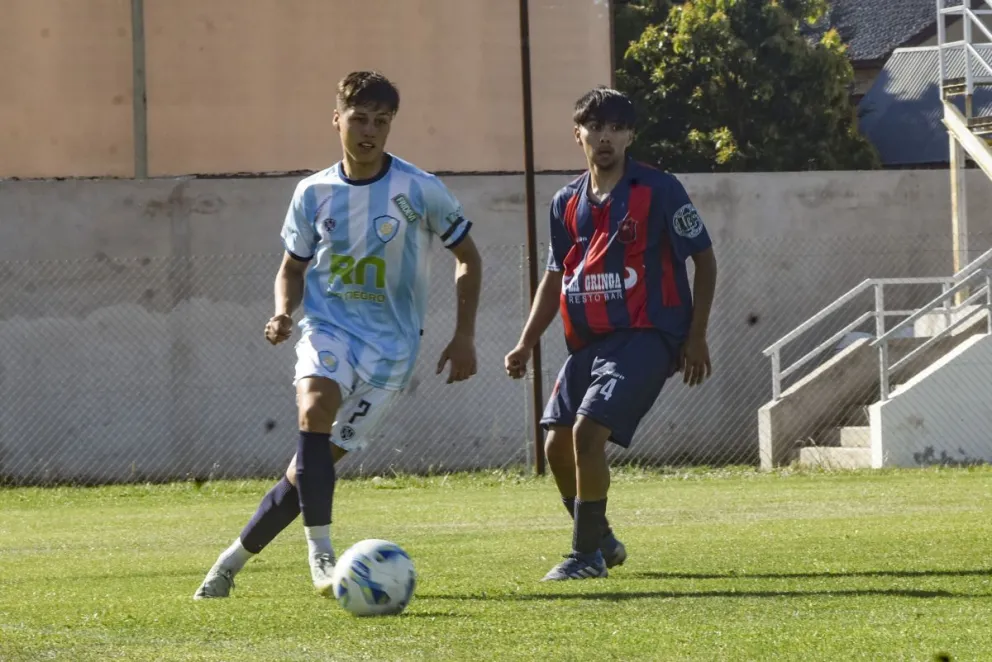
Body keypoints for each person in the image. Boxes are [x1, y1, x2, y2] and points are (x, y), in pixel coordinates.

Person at [193, 71, 482, 599]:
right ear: (337, 120)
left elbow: (468, 257)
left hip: (393, 353)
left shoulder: (420, 190)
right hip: (329, 331)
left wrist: (464, 336)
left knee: (306, 473)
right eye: (359, 118)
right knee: (314, 408)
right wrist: (283, 312)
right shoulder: (313, 193)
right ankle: (321, 555)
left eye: (381, 120)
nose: (369, 130)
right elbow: (292, 268)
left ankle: (228, 563)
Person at [504, 87, 717, 581]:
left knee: (587, 432)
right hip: (588, 341)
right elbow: (557, 273)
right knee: (556, 446)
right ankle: (600, 540)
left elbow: (704, 260)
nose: (606, 137)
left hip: (648, 334)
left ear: (630, 136)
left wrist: (696, 335)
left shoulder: (660, 189)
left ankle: (584, 557)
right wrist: (526, 340)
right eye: (595, 127)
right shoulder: (564, 202)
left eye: (617, 127)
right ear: (578, 134)